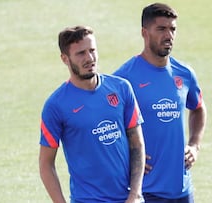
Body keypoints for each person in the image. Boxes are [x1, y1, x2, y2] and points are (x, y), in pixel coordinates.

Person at [39, 25, 146, 203]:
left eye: (92, 50)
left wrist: (135, 194)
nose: (89, 58)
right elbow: (46, 164)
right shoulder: (55, 105)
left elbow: (137, 145)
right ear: (65, 59)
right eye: (81, 53)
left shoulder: (121, 88)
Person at [113, 3, 207, 203]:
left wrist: (194, 145)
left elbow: (198, 108)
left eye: (172, 29)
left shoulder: (185, 74)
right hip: (145, 191)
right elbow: (107, 125)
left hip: (182, 189)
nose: (169, 35)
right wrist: (126, 157)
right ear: (144, 33)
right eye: (161, 29)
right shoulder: (124, 79)